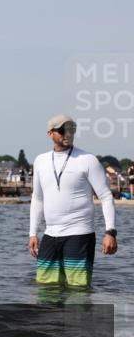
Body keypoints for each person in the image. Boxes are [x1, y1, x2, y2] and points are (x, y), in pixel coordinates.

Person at [28, 114, 117, 287]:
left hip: (79, 234)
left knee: (78, 291)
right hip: (50, 235)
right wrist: (33, 233)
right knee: (46, 289)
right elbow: (38, 198)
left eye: (71, 130)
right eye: (62, 130)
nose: (67, 134)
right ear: (50, 133)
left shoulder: (87, 160)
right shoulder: (40, 161)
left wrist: (110, 232)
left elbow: (106, 197)